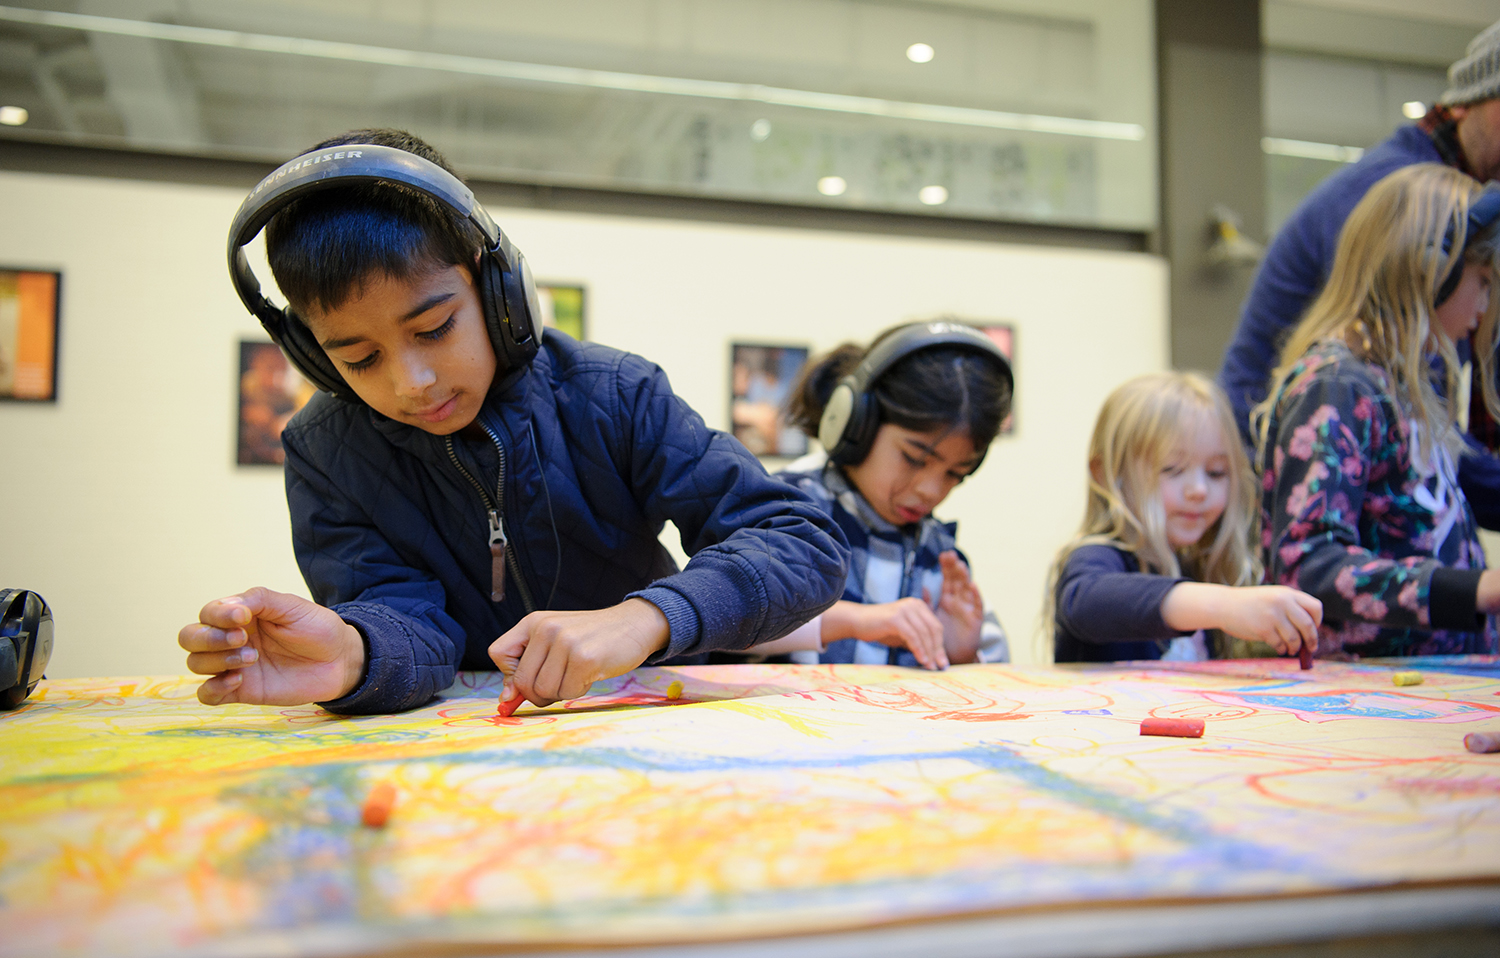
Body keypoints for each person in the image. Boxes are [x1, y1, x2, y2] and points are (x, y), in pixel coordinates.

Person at [178, 128, 851, 714]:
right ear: (313, 358)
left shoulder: (614, 393)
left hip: (650, 719)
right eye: (358, 358)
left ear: (498, 289)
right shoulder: (325, 449)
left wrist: (645, 618)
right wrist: (355, 654)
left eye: (436, 328)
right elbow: (403, 615)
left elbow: (799, 542)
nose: (411, 383)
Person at [1219, 17, 1500, 520]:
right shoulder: (1407, 202)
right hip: (1286, 470)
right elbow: (1429, 431)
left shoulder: (1458, 205)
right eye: (1480, 283)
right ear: (1465, 101)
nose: (1481, 303)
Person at [1257, 163, 1500, 658]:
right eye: (1483, 280)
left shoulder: (1403, 389)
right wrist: (1476, 590)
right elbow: (1307, 565)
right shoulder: (1338, 386)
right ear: (1431, 270)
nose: (1485, 305)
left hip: (1424, 681)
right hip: (1362, 694)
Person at [746, 321, 1013, 670]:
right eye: (915, 458)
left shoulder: (939, 552)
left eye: (955, 473)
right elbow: (722, 618)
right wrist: (857, 621)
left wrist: (961, 654)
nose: (931, 491)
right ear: (856, 425)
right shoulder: (786, 508)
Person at [1050, 372, 1322, 663]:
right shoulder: (1096, 556)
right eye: (1173, 469)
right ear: (1107, 476)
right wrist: (1226, 606)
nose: (1199, 490)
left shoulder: (1195, 565)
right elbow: (1085, 601)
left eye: (1217, 472)